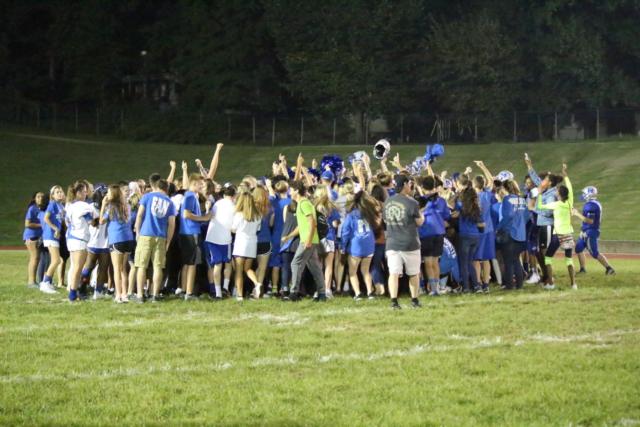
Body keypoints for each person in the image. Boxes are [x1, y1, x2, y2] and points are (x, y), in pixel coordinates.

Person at [382, 174, 424, 309]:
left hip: (392, 243)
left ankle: (394, 302)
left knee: (393, 273)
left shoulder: (388, 201)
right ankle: (414, 301)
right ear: (405, 184)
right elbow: (419, 222)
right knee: (413, 273)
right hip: (410, 243)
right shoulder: (412, 202)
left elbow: (385, 220)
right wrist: (422, 215)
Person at [133, 175, 177, 302]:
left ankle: (140, 295)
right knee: (158, 267)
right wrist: (168, 241)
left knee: (141, 266)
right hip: (161, 236)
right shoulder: (170, 202)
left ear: (157, 187)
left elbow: (140, 215)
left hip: (146, 235)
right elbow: (171, 224)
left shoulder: (147, 197)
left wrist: (138, 232)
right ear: (166, 189)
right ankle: (155, 295)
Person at [282, 178, 326, 302]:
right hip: (310, 239)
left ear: (296, 190)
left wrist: (308, 240)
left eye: (291, 189)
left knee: (295, 263)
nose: (290, 192)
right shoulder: (302, 204)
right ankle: (322, 294)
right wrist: (289, 236)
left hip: (308, 240)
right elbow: (301, 226)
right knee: (315, 267)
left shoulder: (304, 203)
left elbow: (312, 223)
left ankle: (294, 293)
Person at [536, 163, 578, 290]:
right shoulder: (570, 202)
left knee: (548, 258)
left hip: (557, 235)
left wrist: (539, 194)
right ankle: (573, 284)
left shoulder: (555, 204)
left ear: (559, 194)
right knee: (569, 260)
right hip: (568, 234)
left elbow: (540, 207)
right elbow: (570, 188)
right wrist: (565, 175)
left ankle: (551, 283)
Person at [179, 173, 212, 300]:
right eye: (200, 184)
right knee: (192, 264)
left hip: (187, 232)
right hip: (191, 232)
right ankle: (189, 293)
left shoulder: (191, 196)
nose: (202, 186)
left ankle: (184, 290)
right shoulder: (190, 197)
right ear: (194, 183)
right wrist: (204, 217)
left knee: (187, 263)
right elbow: (187, 214)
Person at [101, 184, 135, 303]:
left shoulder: (111, 207)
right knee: (123, 269)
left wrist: (103, 205)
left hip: (117, 239)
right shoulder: (127, 205)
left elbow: (101, 221)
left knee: (116, 269)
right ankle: (125, 294)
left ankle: (118, 295)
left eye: (109, 193)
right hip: (128, 239)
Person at [340, 190, 378, 300]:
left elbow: (345, 232)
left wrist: (343, 247)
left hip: (356, 246)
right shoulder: (370, 213)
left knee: (352, 272)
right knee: (366, 270)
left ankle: (358, 293)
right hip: (369, 244)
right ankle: (370, 292)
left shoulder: (351, 214)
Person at [65, 181, 97, 302]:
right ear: (78, 193)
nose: (86, 194)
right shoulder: (83, 206)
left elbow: (67, 222)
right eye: (84, 191)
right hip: (80, 239)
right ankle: (73, 294)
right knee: (78, 268)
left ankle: (75, 291)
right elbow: (92, 222)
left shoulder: (70, 205)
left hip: (72, 237)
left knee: (76, 267)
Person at [418, 176, 450, 296]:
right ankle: (436, 288)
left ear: (422, 187)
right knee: (435, 262)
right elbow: (447, 216)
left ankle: (433, 289)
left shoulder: (421, 200)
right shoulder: (441, 200)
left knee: (428, 262)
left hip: (426, 232)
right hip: (439, 233)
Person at [573, 186, 615, 276]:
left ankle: (609, 268)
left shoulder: (591, 205)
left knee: (594, 253)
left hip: (591, 231)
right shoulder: (592, 203)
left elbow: (590, 220)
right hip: (586, 230)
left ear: (589, 194)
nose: (583, 195)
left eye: (585, 193)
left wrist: (576, 214)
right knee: (578, 248)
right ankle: (583, 269)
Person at [231, 184, 262, 301]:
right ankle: (257, 283)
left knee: (238, 270)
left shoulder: (239, 215)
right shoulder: (258, 215)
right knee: (248, 269)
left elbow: (233, 229)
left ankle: (239, 295)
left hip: (240, 243)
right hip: (252, 243)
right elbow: (258, 229)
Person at [497, 180, 529, 289]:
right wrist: (520, 224)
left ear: (505, 189)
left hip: (510, 233)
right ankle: (519, 285)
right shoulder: (522, 200)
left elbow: (508, 216)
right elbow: (527, 216)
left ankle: (510, 285)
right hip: (520, 234)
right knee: (516, 260)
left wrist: (498, 228)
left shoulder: (507, 199)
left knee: (508, 261)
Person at [455, 186, 485, 293]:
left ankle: (466, 287)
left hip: (465, 237)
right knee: (470, 262)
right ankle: (476, 286)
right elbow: (482, 224)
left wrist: (456, 196)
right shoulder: (477, 207)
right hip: (475, 236)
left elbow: (452, 211)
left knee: (464, 263)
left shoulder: (460, 206)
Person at [314, 184, 340, 297]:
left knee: (318, 265)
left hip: (317, 238)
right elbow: (335, 224)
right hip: (329, 237)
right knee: (329, 265)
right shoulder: (331, 205)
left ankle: (319, 289)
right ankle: (327, 289)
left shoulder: (313, 205)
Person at [40, 186, 66, 294]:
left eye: (61, 191)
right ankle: (45, 283)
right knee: (56, 260)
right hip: (50, 235)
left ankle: (48, 282)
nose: (60, 193)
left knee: (55, 260)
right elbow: (46, 218)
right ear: (52, 195)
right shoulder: (52, 204)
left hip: (55, 236)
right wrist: (55, 228)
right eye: (57, 192)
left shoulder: (61, 205)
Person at [253, 185, 274, 298]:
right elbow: (271, 224)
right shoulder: (269, 208)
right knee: (262, 267)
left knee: (255, 266)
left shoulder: (251, 208)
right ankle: (257, 290)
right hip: (266, 240)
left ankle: (255, 287)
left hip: (253, 240)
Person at [23, 192, 45, 288]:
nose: (40, 198)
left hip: (39, 236)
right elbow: (27, 224)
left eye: (42, 197)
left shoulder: (43, 209)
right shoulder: (32, 208)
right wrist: (41, 225)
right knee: (34, 257)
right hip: (31, 236)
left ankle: (34, 281)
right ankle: (31, 282)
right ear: (34, 199)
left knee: (37, 258)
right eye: (38, 197)